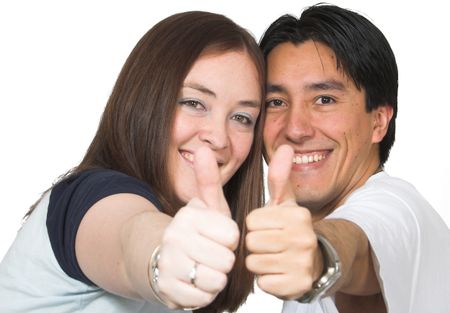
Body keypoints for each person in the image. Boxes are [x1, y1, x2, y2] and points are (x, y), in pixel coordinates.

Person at [0, 11, 266, 313]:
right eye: (193, 103)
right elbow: (130, 238)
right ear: (148, 100)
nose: (219, 138)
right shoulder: (90, 195)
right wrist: (161, 257)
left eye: (242, 118)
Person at [245, 4, 450, 313]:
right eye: (276, 102)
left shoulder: (399, 209)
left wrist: (319, 256)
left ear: (379, 121)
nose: (295, 128)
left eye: (324, 99)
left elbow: (356, 244)